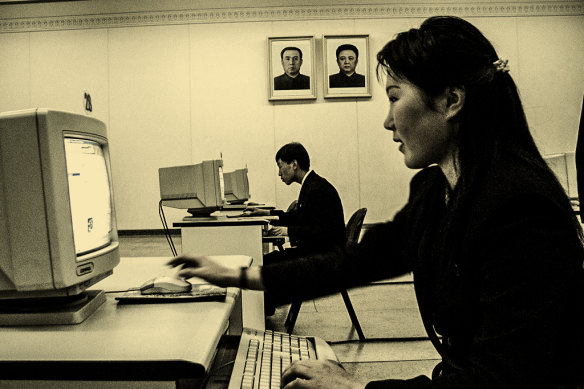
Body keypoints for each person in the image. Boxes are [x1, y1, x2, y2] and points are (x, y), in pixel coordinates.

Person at [169, 16, 584, 389]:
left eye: (393, 96)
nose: (388, 120)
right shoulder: (434, 189)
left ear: (451, 101)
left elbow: (498, 381)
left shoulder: (522, 210)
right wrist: (239, 274)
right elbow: (356, 261)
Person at [247, 142, 346, 315]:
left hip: (322, 256)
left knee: (264, 264)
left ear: (294, 164)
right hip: (321, 251)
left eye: (280, 166)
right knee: (266, 261)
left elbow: (321, 232)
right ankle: (264, 310)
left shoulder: (316, 190)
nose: (279, 173)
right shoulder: (312, 185)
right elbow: (299, 217)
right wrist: (267, 213)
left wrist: (288, 231)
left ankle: (260, 313)